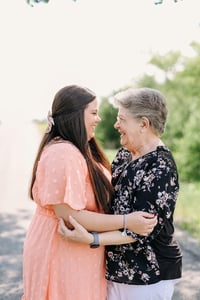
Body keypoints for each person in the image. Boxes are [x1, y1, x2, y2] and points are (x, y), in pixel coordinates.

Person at [21, 85, 157, 300]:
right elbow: (70, 215)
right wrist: (126, 221)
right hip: (61, 248)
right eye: (93, 112)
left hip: (77, 249)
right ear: (75, 115)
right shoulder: (63, 153)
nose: (99, 119)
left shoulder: (80, 149)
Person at [58, 87, 182, 300]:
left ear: (144, 124)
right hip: (118, 270)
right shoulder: (126, 153)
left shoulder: (160, 166)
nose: (116, 125)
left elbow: (141, 229)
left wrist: (91, 238)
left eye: (122, 119)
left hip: (148, 274)